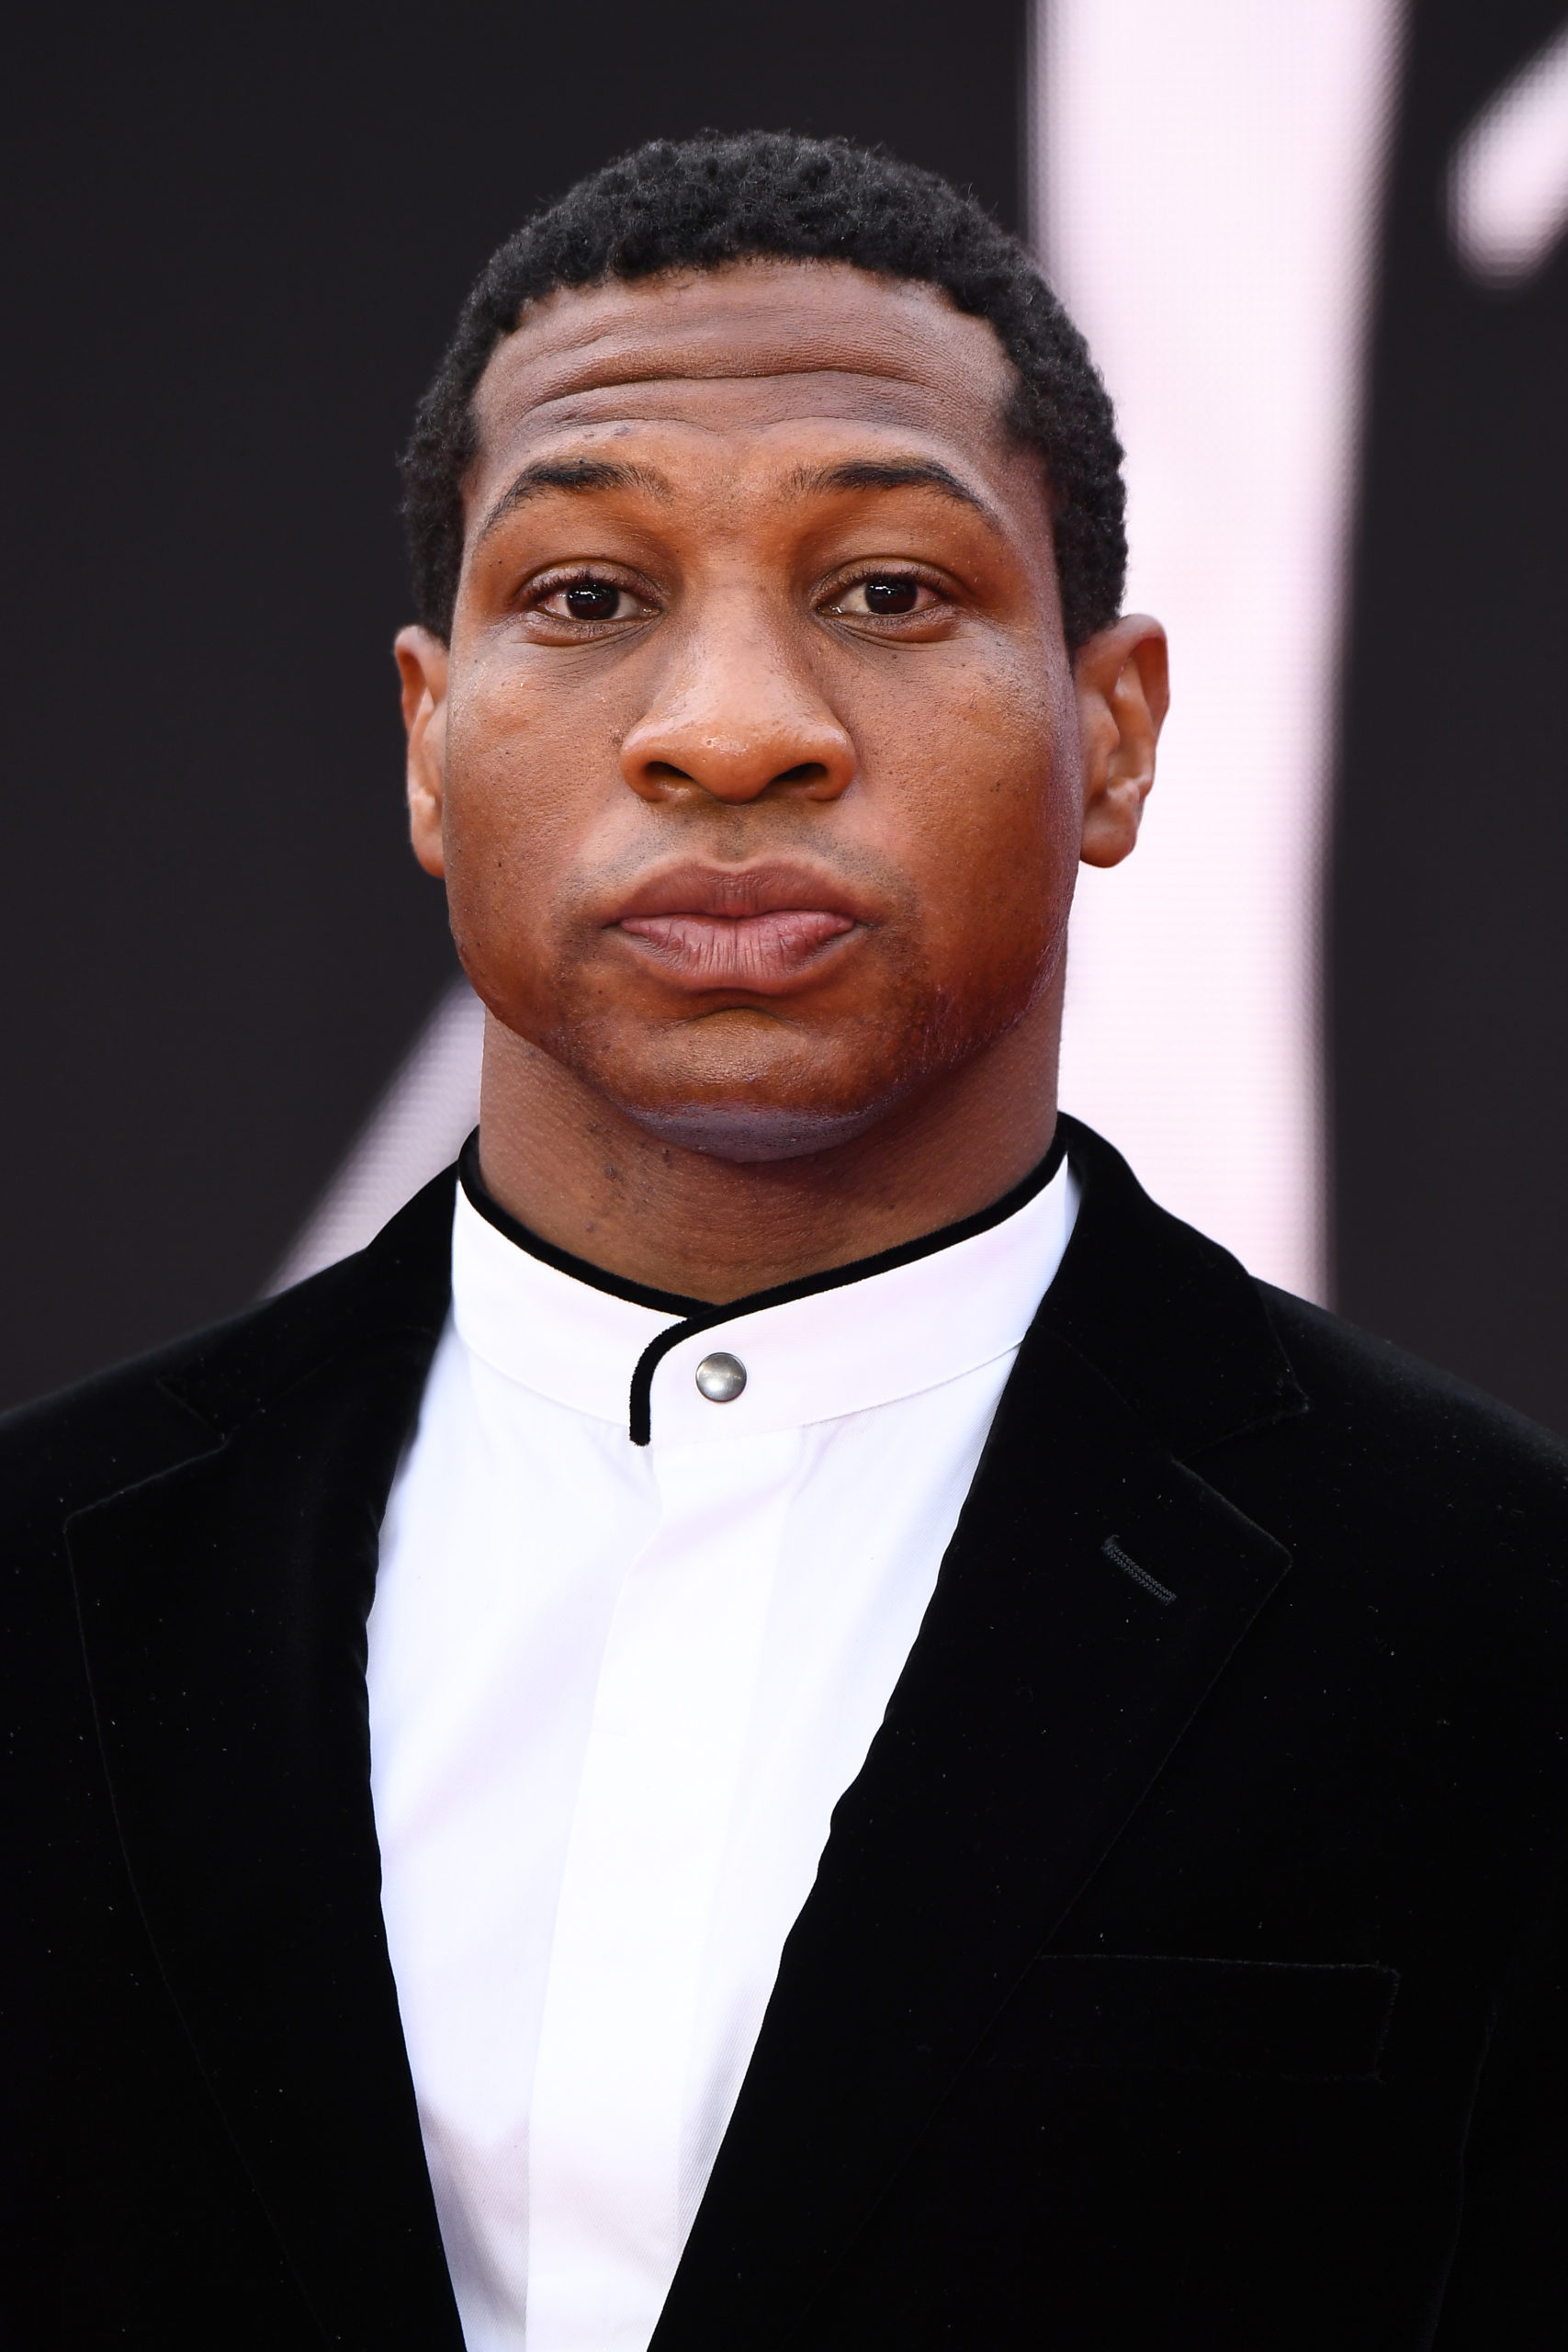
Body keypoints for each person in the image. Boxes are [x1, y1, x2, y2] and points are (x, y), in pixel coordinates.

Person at [3, 130, 1564, 2352]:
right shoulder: (38, 1584)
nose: (730, 730)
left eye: (887, 590)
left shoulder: (1499, 1623)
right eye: (586, 595)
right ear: (431, 743)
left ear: (1112, 735)